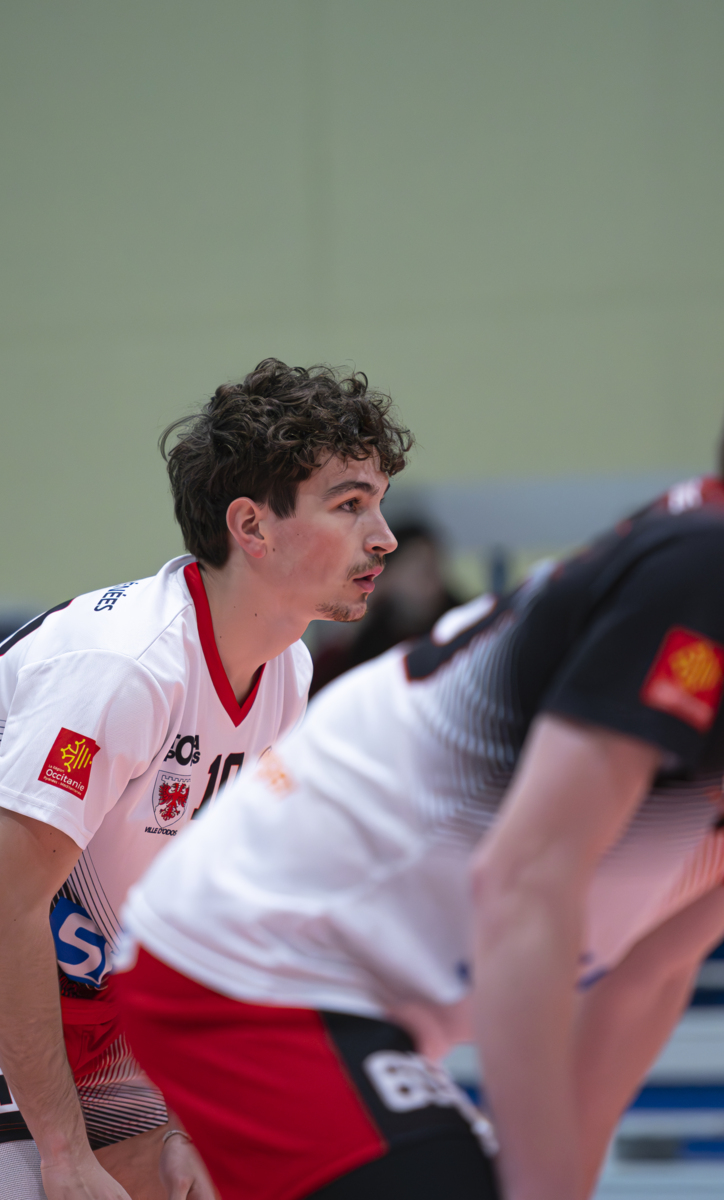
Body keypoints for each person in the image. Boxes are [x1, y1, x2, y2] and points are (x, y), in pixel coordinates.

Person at [0, 358, 412, 1200]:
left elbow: (228, 906)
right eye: (351, 504)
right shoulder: (123, 670)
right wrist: (64, 1153)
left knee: (201, 1174)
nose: (384, 536)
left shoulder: (288, 670)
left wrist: (201, 1106)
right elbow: (2, 911)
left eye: (380, 503)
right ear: (252, 526)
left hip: (92, 972)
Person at [115, 469, 724, 1200]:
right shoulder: (701, 568)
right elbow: (523, 884)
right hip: (250, 958)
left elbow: (650, 973)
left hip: (358, 992)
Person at [309, 518, 462, 695]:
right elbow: (320, 689)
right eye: (420, 570)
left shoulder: (457, 624)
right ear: (388, 576)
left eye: (434, 568)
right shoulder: (373, 636)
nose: (431, 581)